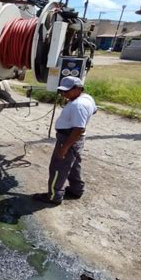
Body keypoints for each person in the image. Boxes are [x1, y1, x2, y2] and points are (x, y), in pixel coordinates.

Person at [33, 76, 97, 205]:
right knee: (73, 165)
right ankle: (76, 190)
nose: (64, 94)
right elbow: (94, 110)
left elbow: (78, 128)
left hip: (69, 138)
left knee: (58, 167)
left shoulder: (78, 105)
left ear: (78, 89)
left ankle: (54, 196)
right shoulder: (87, 98)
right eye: (62, 91)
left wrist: (64, 148)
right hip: (76, 139)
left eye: (67, 91)